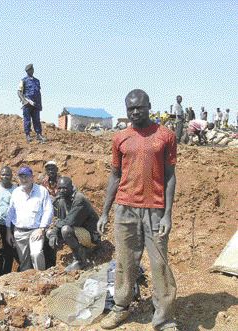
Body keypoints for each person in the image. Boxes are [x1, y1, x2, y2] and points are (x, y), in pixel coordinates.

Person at [97, 89, 178, 331]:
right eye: (130, 108)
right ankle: (121, 308)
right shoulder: (120, 137)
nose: (134, 112)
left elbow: (171, 176)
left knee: (160, 264)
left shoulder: (166, 136)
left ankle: (164, 318)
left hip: (154, 210)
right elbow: (114, 175)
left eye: (139, 107)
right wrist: (104, 212)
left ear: (149, 106)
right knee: (124, 262)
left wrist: (167, 214)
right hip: (125, 209)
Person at [46, 177, 100, 272]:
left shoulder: (79, 199)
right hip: (78, 230)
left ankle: (80, 260)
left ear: (71, 187)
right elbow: (60, 220)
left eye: (65, 188)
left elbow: (69, 221)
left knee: (65, 230)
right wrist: (53, 232)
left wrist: (56, 227)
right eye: (59, 188)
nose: (62, 191)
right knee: (49, 232)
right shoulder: (62, 200)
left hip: (92, 235)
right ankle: (80, 251)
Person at [6, 166, 53, 271]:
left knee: (36, 254)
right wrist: (9, 231)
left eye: (26, 176)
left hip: (35, 231)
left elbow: (48, 210)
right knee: (24, 262)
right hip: (19, 232)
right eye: (21, 177)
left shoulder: (42, 191)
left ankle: (41, 277)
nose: (24, 179)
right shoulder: (16, 192)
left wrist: (41, 229)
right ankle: (27, 284)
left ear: (32, 177)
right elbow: (10, 213)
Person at [0, 166, 17, 275]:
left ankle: (6, 274)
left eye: (7, 174)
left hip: (10, 225)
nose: (5, 176)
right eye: (3, 174)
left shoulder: (16, 189)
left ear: (11, 176)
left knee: (9, 251)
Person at [18, 64, 46, 143]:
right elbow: (19, 92)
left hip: (36, 104)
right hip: (27, 104)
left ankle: (39, 134)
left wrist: (40, 104)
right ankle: (28, 135)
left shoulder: (37, 81)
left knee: (37, 120)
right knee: (27, 120)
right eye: (30, 70)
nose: (32, 71)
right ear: (27, 71)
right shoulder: (23, 80)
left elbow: (38, 93)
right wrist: (24, 100)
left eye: (32, 69)